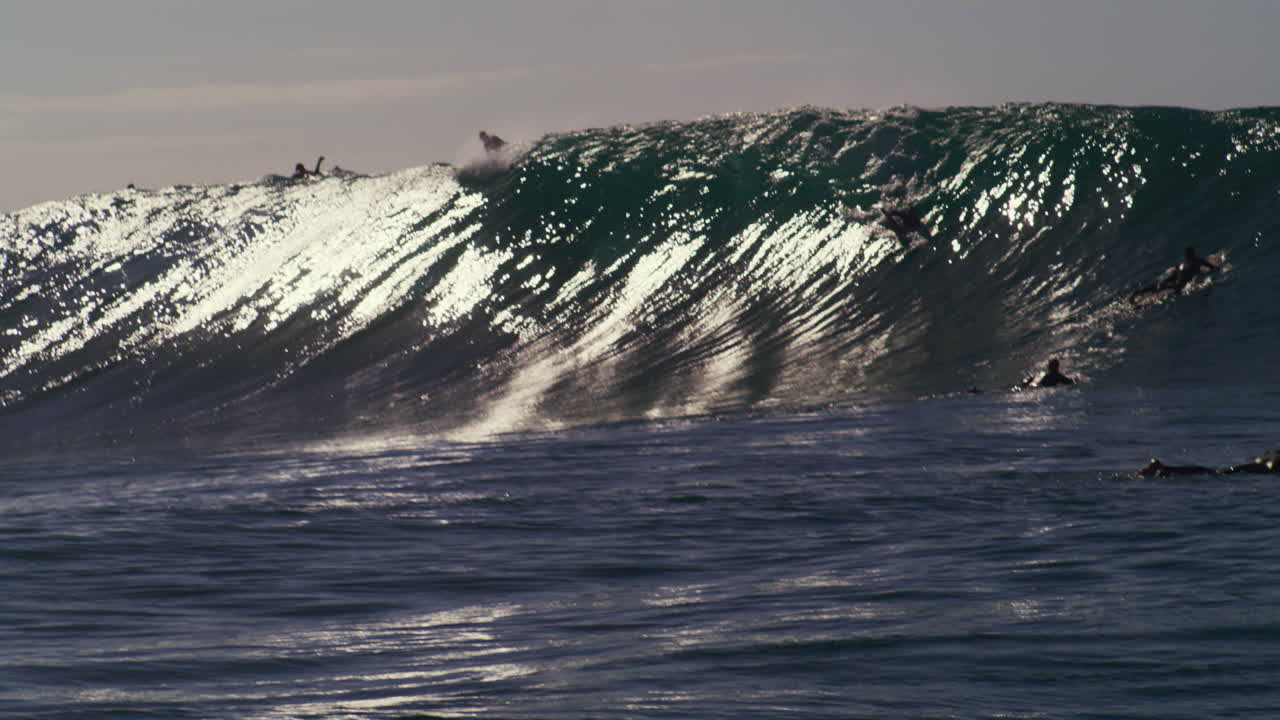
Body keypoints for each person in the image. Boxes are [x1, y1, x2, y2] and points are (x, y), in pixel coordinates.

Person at [1129, 245, 1218, 302]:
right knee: (1162, 294)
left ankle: (1137, 293)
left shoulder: (1181, 265)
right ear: (1193, 254)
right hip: (1180, 284)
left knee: (1158, 286)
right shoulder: (1198, 261)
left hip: (1176, 277)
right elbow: (1212, 268)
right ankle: (1142, 302)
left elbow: (1174, 275)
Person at [1134, 449, 1280, 478]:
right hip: (1265, 466)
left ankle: (1166, 468)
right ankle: (1165, 469)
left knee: (1217, 472)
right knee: (1217, 473)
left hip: (1262, 462)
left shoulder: (1274, 454)